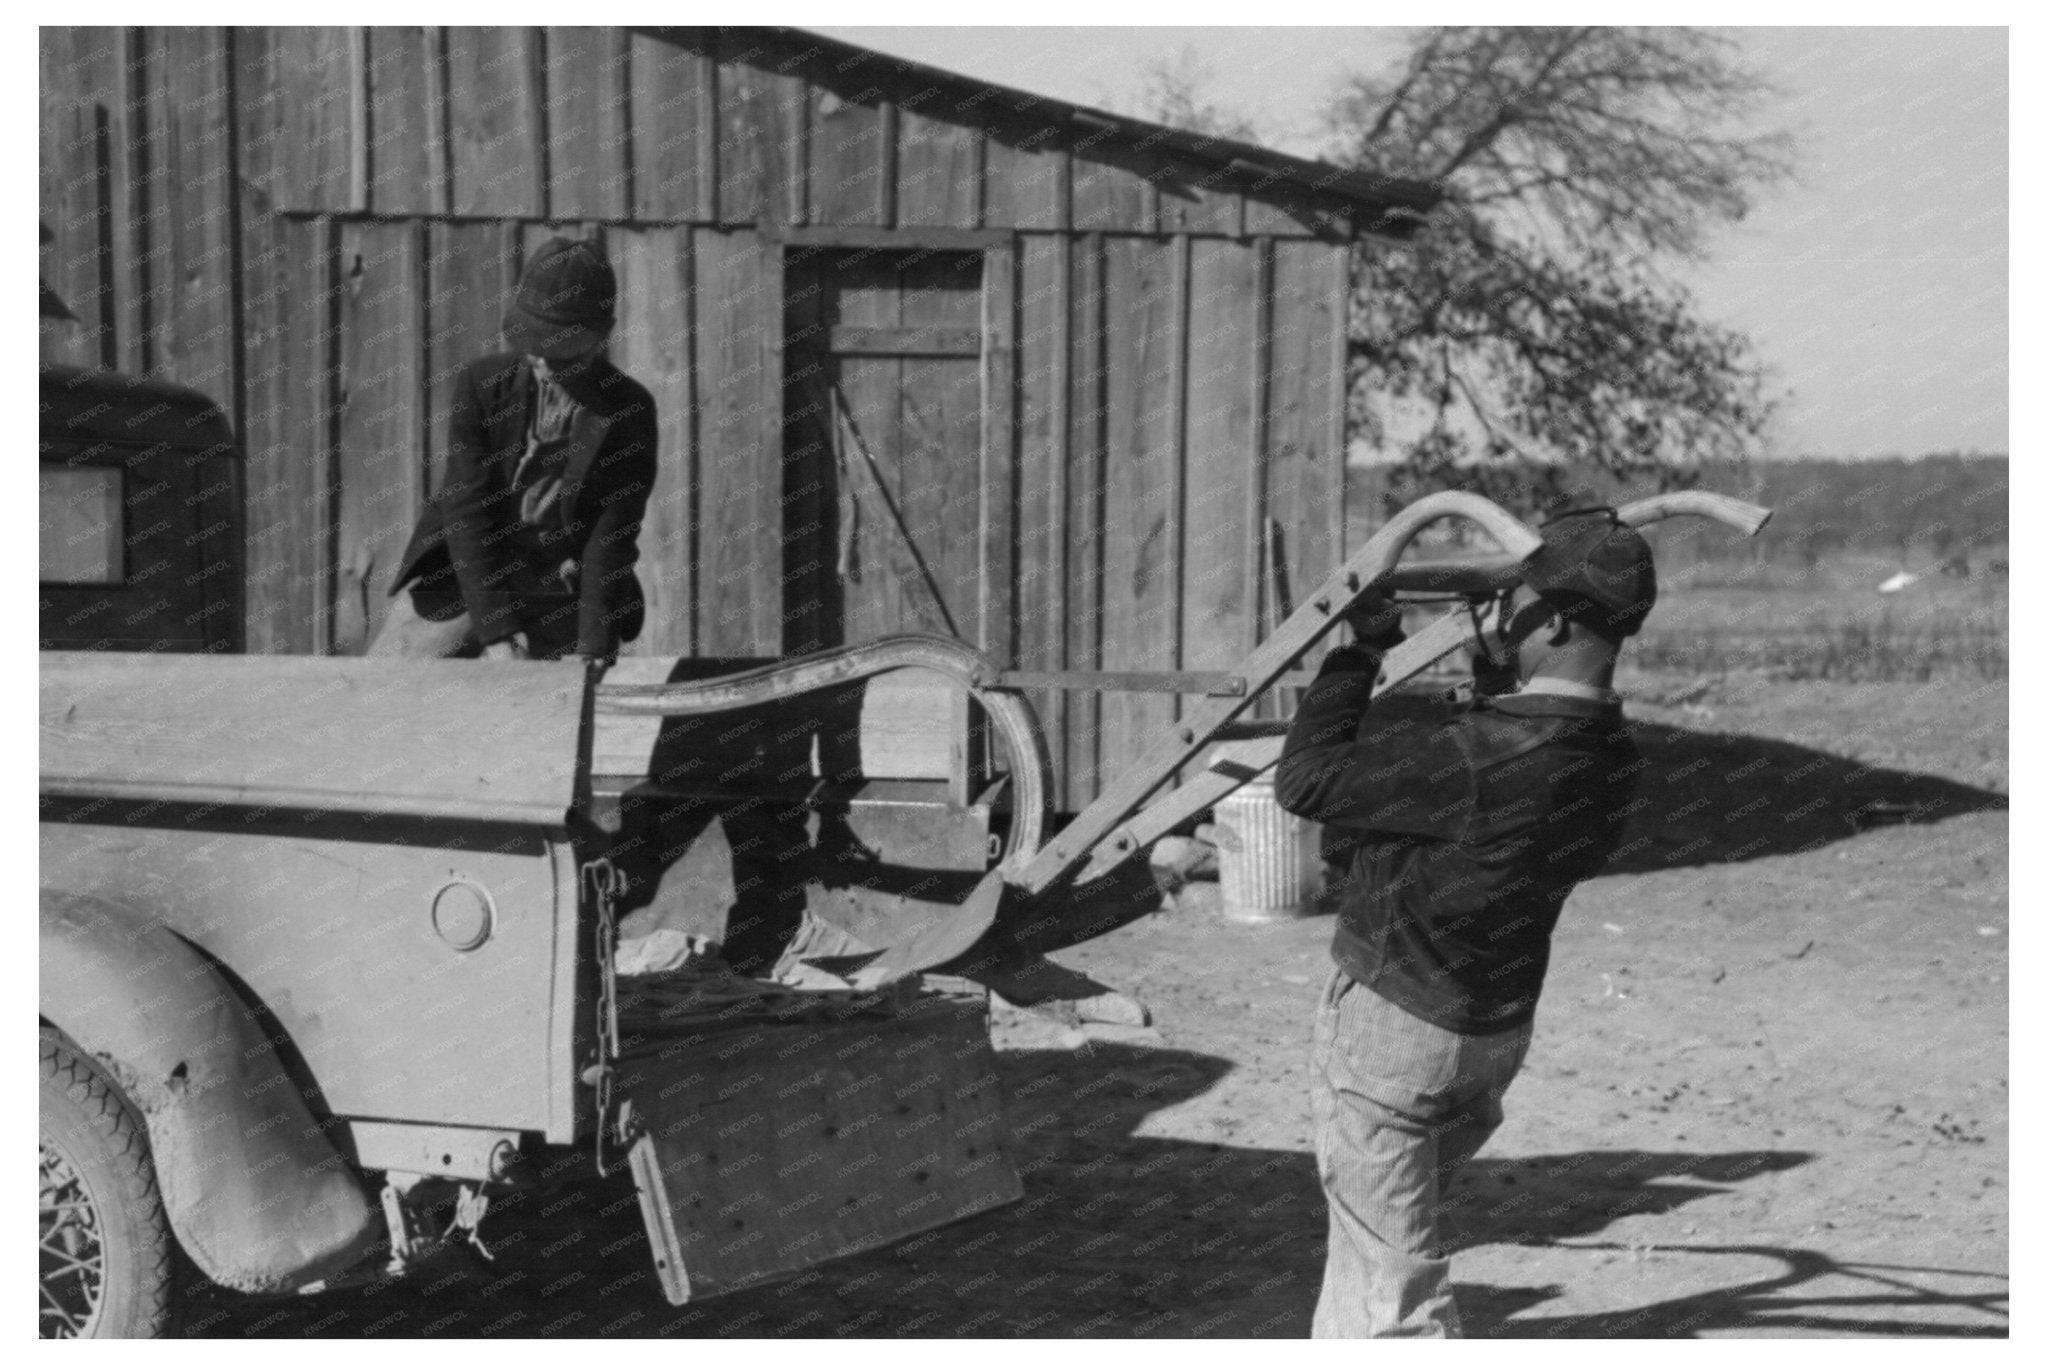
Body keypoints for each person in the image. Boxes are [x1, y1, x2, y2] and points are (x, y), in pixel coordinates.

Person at [1273, 506, 1658, 1338]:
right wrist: (1495, 685)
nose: (1499, 616)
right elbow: (1519, 771)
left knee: (1394, 1297)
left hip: (1396, 1034)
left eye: (1511, 602)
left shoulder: (1471, 756)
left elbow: (1305, 780)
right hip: (1492, 1033)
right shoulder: (1615, 758)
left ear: (1549, 619)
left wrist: (1358, 652)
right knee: (1376, 1246)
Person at [374, 237, 657, 663]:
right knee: (384, 683)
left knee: (568, 704)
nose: (542, 361)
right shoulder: (481, 386)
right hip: (470, 576)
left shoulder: (628, 410)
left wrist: (593, 649)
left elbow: (610, 536)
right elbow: (468, 512)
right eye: (534, 345)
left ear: (602, 336)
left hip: (565, 584)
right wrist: (497, 636)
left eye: (561, 350)